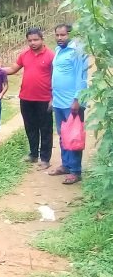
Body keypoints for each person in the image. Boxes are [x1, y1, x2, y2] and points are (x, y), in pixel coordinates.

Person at [4, 27, 55, 169]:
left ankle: (45, 159)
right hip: (26, 97)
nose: (33, 43)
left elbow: (56, 77)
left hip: (44, 98)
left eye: (36, 39)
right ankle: (33, 154)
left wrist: (53, 97)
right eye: (30, 40)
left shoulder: (51, 56)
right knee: (30, 127)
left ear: (42, 39)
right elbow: (13, 69)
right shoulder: (24, 55)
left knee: (45, 129)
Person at [49, 23, 88, 184]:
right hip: (59, 101)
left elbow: (82, 77)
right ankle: (65, 165)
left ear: (69, 34)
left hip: (72, 102)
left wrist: (77, 99)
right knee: (62, 134)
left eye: (63, 35)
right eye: (57, 35)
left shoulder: (77, 52)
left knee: (74, 136)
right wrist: (52, 98)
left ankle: (75, 171)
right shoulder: (58, 51)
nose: (59, 38)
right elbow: (55, 75)